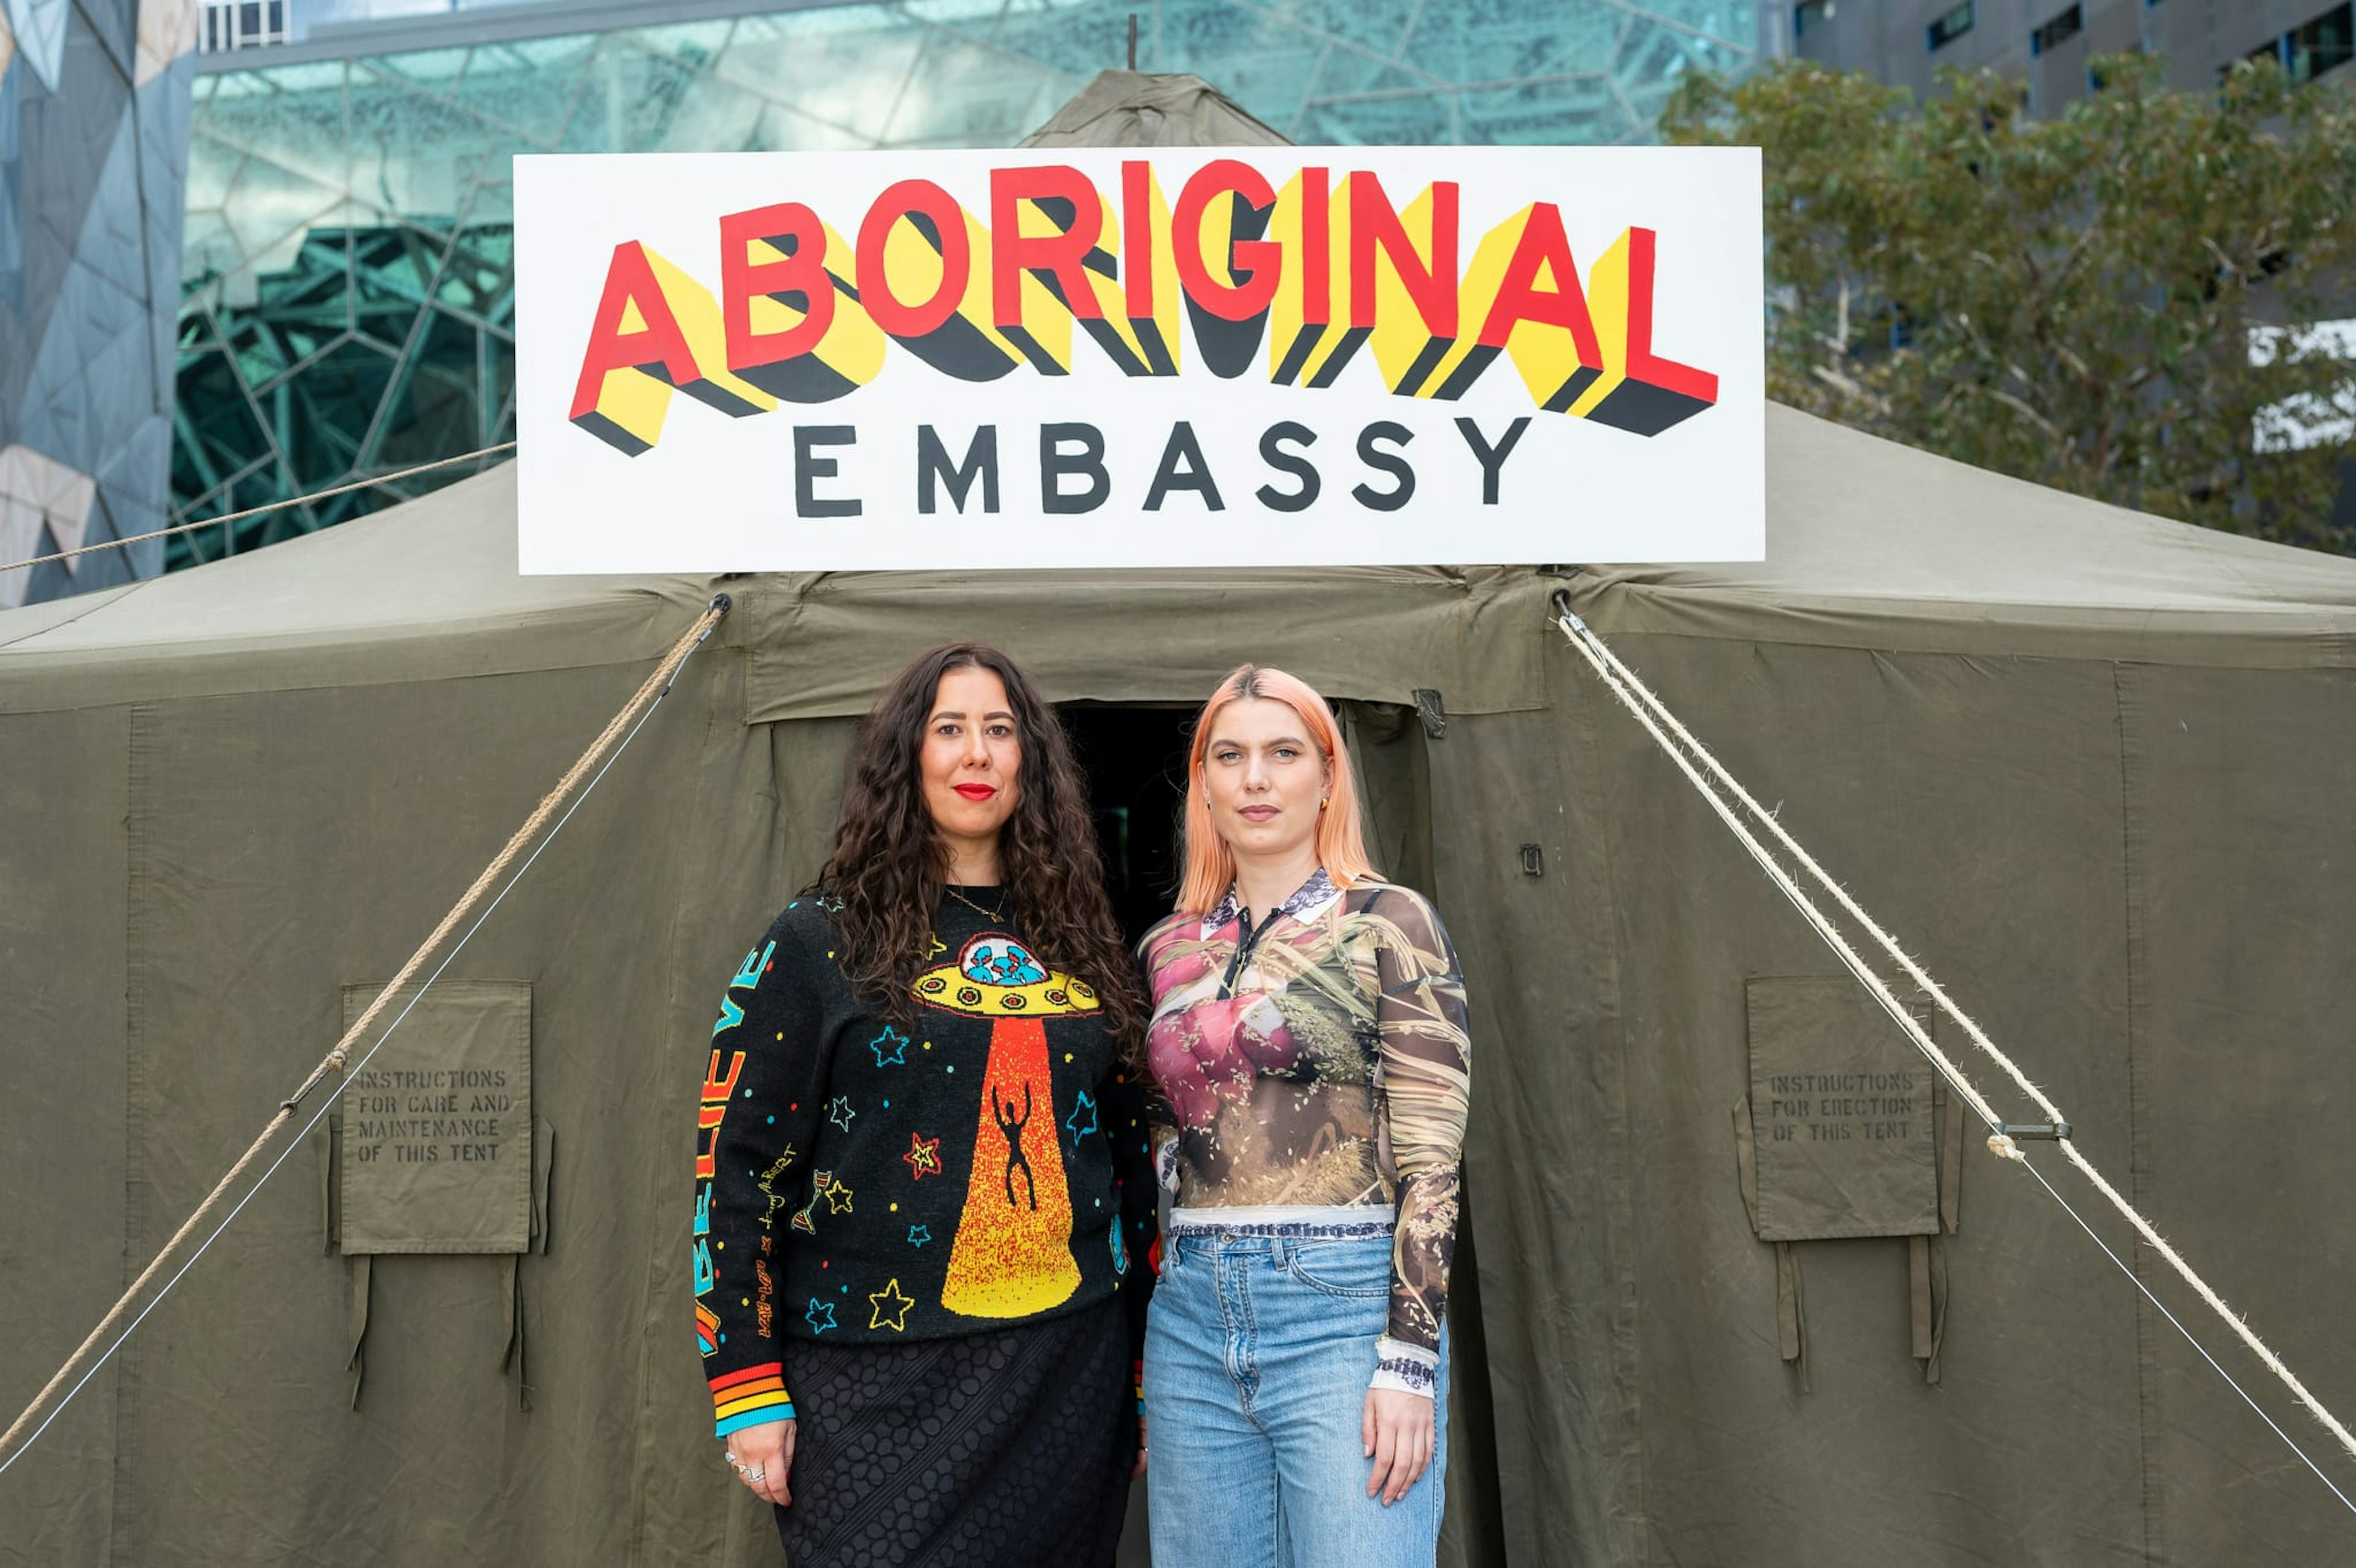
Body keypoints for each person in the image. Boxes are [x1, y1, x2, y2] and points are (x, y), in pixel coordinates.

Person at [692, 642, 1155, 1567]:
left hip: (1067, 1367)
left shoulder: (1082, 941)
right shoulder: (818, 940)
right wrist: (744, 1381)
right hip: (870, 1379)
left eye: (999, 730)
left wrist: (1142, 1373)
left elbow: (1131, 1160)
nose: (976, 755)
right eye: (949, 730)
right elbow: (734, 1171)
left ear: (1031, 759)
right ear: (907, 757)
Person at [1139, 664, 1471, 1567]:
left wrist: (1408, 1360)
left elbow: (1434, 1164)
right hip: (1191, 1318)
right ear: (1202, 783)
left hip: (1344, 1305)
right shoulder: (1168, 946)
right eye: (1231, 755)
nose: (1256, 778)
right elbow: (1161, 1155)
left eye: (1284, 753)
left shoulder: (1389, 921)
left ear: (1329, 776)